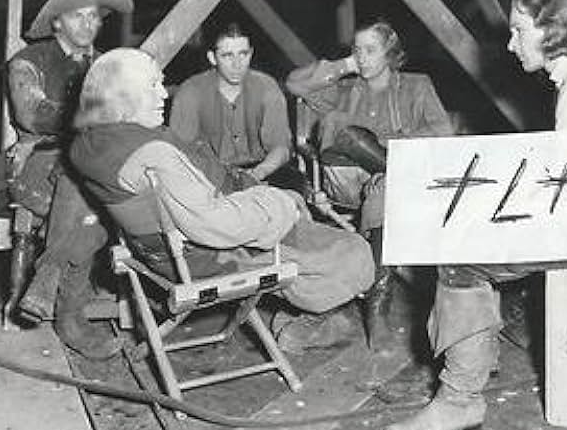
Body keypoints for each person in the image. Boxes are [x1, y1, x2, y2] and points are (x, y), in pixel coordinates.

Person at [383, 0, 567, 430]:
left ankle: (459, 399)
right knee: (470, 233)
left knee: (459, 259)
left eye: (518, 31)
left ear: (550, 31)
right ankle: (468, 372)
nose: (511, 44)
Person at [69, 48, 376, 354]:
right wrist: (279, 203)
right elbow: (218, 225)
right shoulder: (154, 153)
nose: (164, 93)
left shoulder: (89, 145)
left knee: (295, 206)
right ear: (122, 95)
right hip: (215, 255)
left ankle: (308, 303)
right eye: (152, 85)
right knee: (355, 253)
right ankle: (312, 317)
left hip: (163, 252)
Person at [286, 17, 454, 348]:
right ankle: (390, 173)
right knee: (343, 131)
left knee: (384, 191)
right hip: (348, 181)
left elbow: (442, 131)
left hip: (398, 184)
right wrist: (345, 64)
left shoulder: (417, 86)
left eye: (370, 50)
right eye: (357, 50)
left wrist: (388, 147)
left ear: (390, 53)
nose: (362, 58)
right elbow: (296, 85)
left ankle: (376, 310)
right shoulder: (344, 90)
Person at [2, 0, 133, 360]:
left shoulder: (107, 66)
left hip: (92, 170)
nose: (89, 24)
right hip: (38, 169)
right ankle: (70, 318)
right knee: (88, 182)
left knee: (99, 189)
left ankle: (47, 275)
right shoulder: (27, 62)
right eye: (79, 16)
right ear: (56, 20)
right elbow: (34, 115)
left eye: (95, 16)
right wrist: (98, 115)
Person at [169, 20, 300, 191]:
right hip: (209, 175)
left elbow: (281, 146)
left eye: (243, 54)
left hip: (262, 170)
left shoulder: (266, 86)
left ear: (251, 54)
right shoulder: (190, 91)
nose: (237, 64)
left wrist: (257, 174)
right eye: (228, 55)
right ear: (212, 58)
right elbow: (181, 152)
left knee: (296, 187)